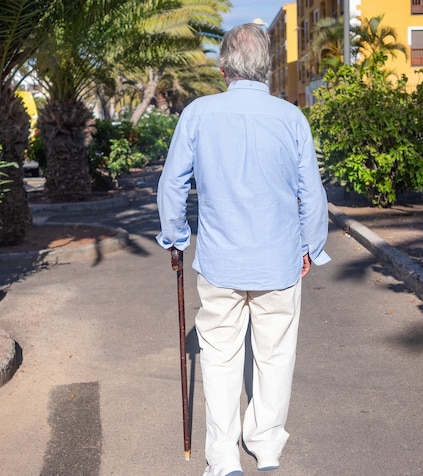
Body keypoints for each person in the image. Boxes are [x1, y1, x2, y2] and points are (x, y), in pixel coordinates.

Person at [156, 23, 330, 476]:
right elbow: (312, 195)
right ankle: (267, 448)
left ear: (222, 68)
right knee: (275, 356)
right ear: (267, 69)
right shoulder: (291, 118)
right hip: (279, 261)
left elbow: (172, 185)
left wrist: (175, 238)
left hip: (220, 263)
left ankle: (224, 457)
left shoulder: (198, 113)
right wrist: (312, 246)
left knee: (218, 357)